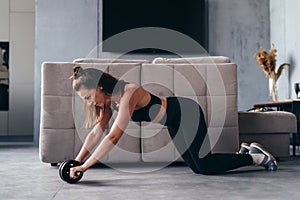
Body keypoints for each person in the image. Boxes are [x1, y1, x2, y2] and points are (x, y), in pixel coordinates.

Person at [69, 65, 278, 179]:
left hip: (187, 113)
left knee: (205, 166)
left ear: (98, 88)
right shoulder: (107, 103)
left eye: (88, 97)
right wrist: (77, 161)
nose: (89, 103)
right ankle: (242, 155)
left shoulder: (128, 93)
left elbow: (114, 136)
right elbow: (98, 132)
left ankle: (256, 158)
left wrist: (85, 167)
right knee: (198, 168)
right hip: (175, 123)